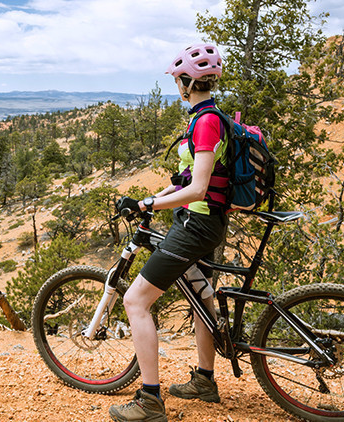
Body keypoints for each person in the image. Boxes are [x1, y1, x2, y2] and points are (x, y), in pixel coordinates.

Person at [108, 43, 229, 422]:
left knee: (135, 302)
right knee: (201, 300)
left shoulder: (206, 122)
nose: (178, 85)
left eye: (179, 79)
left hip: (197, 223)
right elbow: (188, 179)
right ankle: (205, 381)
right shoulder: (208, 116)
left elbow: (196, 190)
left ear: (185, 82)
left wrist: (148, 207)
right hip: (204, 221)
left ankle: (149, 401)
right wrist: (155, 195)